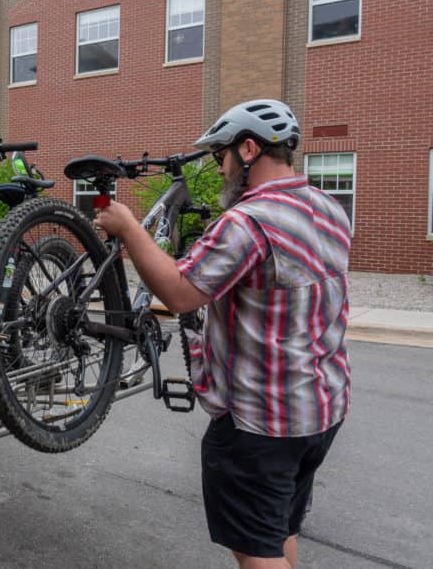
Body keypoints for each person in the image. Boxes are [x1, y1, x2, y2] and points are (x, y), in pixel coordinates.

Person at [94, 99, 351, 569]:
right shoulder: (329, 208)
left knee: (256, 552)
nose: (220, 168)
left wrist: (129, 228)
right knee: (278, 530)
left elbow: (179, 293)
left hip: (261, 424)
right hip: (320, 409)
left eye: (222, 156)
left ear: (249, 149)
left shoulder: (248, 222)